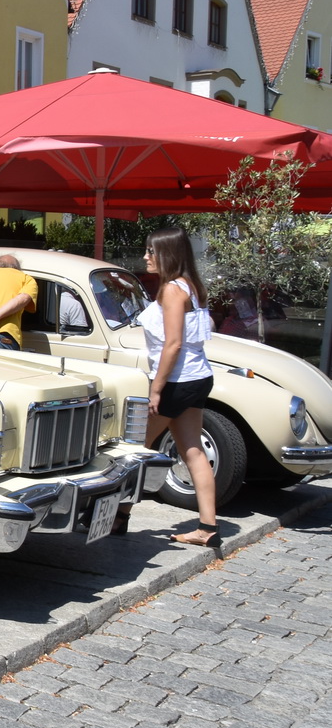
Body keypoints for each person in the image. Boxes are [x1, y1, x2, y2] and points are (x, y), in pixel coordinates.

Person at [139, 227, 219, 547]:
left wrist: (156, 390)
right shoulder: (192, 286)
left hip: (177, 381)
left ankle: (118, 514)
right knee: (193, 451)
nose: (146, 257)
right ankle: (207, 528)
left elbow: (173, 345)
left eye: (151, 251)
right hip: (198, 377)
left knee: (134, 450)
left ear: (168, 254)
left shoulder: (173, 290)